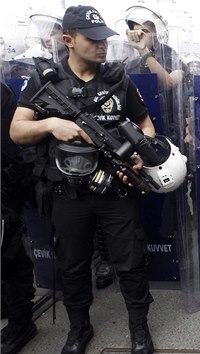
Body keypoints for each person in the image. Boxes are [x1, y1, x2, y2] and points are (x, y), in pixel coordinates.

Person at [9, 5, 156, 354]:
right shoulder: (45, 80)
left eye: (104, 39)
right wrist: (50, 124)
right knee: (72, 265)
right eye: (93, 40)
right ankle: (79, 329)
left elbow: (146, 125)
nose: (102, 46)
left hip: (116, 187)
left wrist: (139, 150)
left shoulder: (118, 79)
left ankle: (139, 328)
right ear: (68, 40)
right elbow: (16, 130)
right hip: (68, 192)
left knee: (131, 261)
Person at [1, 82, 38, 354]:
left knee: (10, 254)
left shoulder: (1, 92)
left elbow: (9, 144)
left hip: (4, 186)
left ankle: (21, 321)